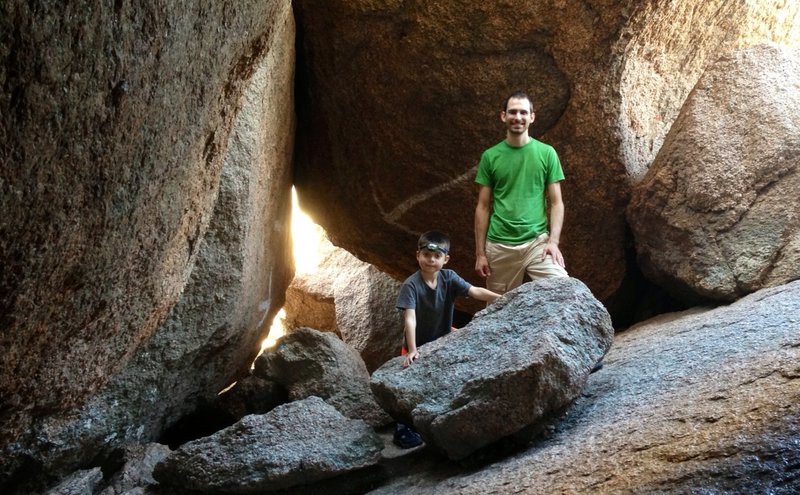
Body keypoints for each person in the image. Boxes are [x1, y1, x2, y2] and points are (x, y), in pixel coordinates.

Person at [393, 230, 500, 448]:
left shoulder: (448, 277)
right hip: (419, 341)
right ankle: (401, 428)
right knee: (409, 386)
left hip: (443, 334)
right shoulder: (411, 285)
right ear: (418, 256)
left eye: (436, 256)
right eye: (426, 255)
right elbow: (410, 320)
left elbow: (475, 291)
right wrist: (413, 350)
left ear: (445, 259)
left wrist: (503, 298)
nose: (431, 260)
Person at [474, 90, 569, 295]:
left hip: (537, 243)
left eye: (523, 113)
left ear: (532, 117)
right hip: (499, 246)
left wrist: (553, 242)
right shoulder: (490, 157)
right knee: (499, 309)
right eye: (513, 112)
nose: (518, 117)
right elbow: (482, 206)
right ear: (503, 116)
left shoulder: (546, 153)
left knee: (565, 291)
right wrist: (480, 253)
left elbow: (556, 203)